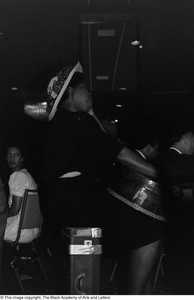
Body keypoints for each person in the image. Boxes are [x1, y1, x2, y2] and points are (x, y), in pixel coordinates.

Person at [44, 62, 161, 294]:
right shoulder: (76, 122)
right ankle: (137, 294)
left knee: (139, 222)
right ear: (71, 92)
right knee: (149, 227)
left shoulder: (68, 122)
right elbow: (120, 154)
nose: (90, 94)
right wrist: (160, 175)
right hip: (75, 200)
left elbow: (105, 142)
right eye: (85, 89)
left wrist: (91, 112)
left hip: (61, 202)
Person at [105, 123, 166, 294]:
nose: (157, 153)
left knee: (140, 280)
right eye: (156, 149)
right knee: (138, 283)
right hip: (137, 228)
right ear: (149, 147)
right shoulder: (137, 165)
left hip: (123, 226)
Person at [4, 145, 39, 243]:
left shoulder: (17, 176)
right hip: (32, 229)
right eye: (9, 155)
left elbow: (15, 210)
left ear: (22, 158)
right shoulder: (28, 176)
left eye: (16, 155)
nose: (12, 158)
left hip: (17, 230)